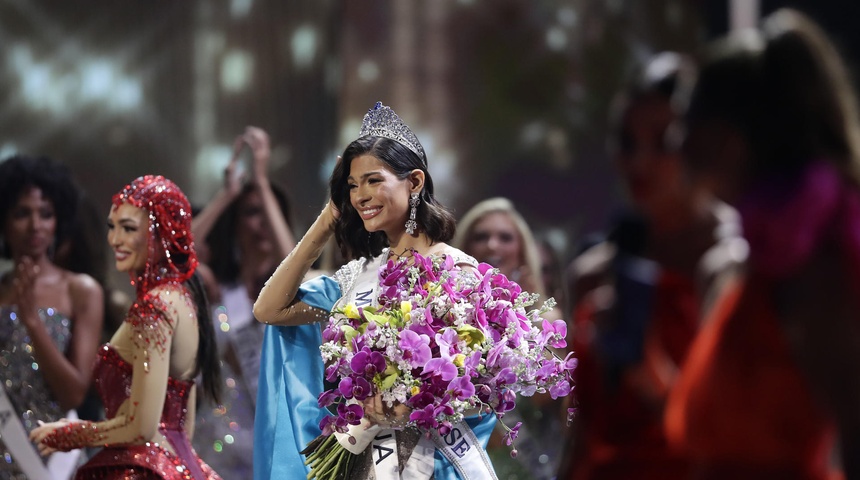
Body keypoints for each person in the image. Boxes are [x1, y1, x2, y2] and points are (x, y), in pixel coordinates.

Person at [252, 102, 498, 480]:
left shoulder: (460, 272)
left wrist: (409, 404)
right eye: (352, 186)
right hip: (365, 460)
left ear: (414, 182)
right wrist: (326, 221)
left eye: (373, 180)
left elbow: (481, 387)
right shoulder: (357, 277)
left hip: (437, 463)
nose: (360, 195)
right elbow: (269, 310)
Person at [664, 9, 860, 479]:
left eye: (688, 119)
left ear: (728, 140)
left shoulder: (814, 274)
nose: (676, 140)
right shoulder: (741, 268)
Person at [557, 52, 744, 480]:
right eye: (626, 141)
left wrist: (652, 375)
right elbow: (583, 432)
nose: (639, 161)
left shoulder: (739, 259)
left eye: (664, 141)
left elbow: (743, 437)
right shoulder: (590, 273)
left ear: (699, 141)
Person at [29, 175, 223, 480]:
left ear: (163, 234)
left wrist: (70, 435)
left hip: (142, 470)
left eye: (128, 229)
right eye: (112, 227)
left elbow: (141, 427)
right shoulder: (184, 299)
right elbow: (183, 425)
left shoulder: (154, 309)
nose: (115, 240)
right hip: (178, 464)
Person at [190, 126, 296, 476]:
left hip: (278, 449)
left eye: (270, 211)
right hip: (216, 452)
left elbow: (293, 262)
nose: (263, 221)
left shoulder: (298, 295)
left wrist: (263, 182)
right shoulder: (218, 288)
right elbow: (170, 258)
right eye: (252, 211)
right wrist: (225, 196)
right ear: (234, 222)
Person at [0, 154, 104, 480]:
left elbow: (74, 392)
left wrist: (32, 321)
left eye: (46, 214)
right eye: (22, 214)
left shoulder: (80, 291)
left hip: (56, 463)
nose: (36, 226)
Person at [452, 197, 565, 479]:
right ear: (464, 247)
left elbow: (550, 400)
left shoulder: (545, 319)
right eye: (481, 236)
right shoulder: (444, 313)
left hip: (524, 462)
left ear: (522, 249)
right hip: (461, 459)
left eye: (505, 237)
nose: (493, 245)